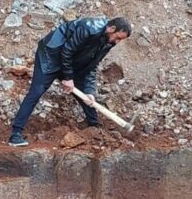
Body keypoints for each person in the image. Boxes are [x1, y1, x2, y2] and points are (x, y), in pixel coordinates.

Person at [9, 16, 132, 146]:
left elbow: (92, 66)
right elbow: (67, 50)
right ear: (111, 28)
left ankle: (95, 128)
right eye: (118, 37)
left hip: (72, 61)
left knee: (86, 96)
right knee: (36, 91)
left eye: (121, 40)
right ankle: (15, 134)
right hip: (50, 56)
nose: (117, 42)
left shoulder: (108, 42)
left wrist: (89, 91)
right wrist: (68, 78)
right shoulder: (88, 28)